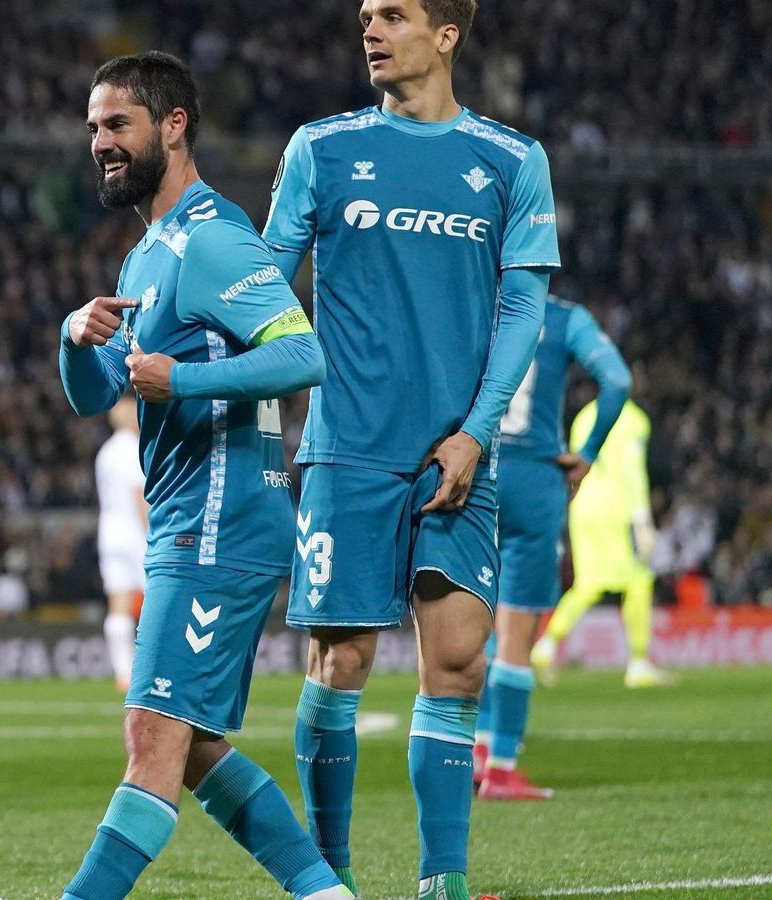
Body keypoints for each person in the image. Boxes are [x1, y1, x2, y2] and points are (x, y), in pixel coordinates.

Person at [0, 52, 347, 900]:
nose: (101, 143)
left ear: (173, 125)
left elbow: (303, 353)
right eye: (94, 128)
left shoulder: (212, 239)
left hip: (222, 518)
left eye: (118, 125)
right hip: (191, 517)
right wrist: (75, 337)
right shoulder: (147, 255)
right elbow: (95, 396)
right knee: (195, 744)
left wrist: (184, 381)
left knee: (151, 734)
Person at [262, 1, 559, 896]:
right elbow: (266, 278)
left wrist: (478, 430)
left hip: (459, 451)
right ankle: (332, 877)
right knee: (341, 660)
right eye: (364, 16)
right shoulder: (320, 146)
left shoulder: (512, 161)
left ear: (446, 34)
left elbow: (522, 309)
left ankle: (444, 885)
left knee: (460, 660)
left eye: (393, 14)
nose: (371, 30)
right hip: (349, 446)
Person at [474, 296, 630, 801]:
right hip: (536, 478)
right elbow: (618, 381)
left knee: (475, 619)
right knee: (517, 632)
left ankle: (475, 749)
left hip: (474, 472)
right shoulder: (565, 318)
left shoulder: (471, 299)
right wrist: (586, 454)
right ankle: (501, 769)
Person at [531, 399, 674, 688]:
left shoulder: (584, 416)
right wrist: (643, 519)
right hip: (616, 511)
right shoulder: (633, 420)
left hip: (583, 509)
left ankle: (546, 645)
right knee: (639, 579)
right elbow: (631, 472)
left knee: (587, 584)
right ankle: (638, 663)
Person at [96, 393, 148, 692]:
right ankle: (152, 666)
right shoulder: (131, 447)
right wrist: (150, 531)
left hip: (108, 530)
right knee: (155, 597)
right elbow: (138, 495)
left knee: (118, 601)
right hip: (132, 531)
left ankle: (122, 672)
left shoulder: (105, 451)